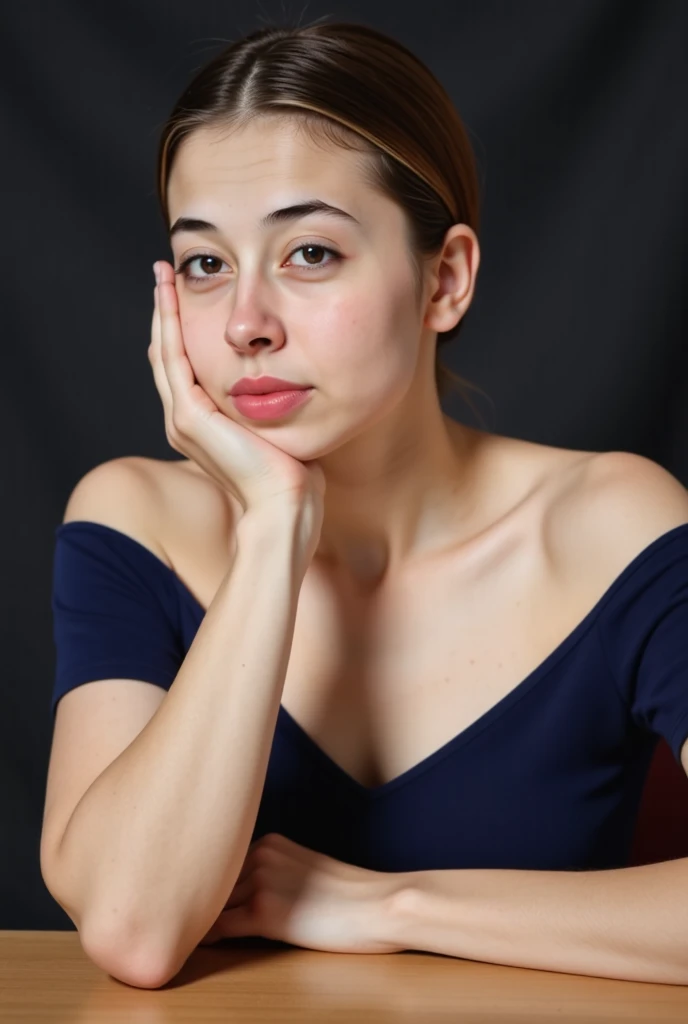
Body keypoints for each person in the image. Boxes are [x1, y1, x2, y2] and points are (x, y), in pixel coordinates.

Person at [41, 19, 688, 990]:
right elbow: (135, 929)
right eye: (207, 264)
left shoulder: (609, 524)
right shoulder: (137, 519)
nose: (247, 324)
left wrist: (384, 903)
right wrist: (272, 534)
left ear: (445, 278)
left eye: (308, 253)